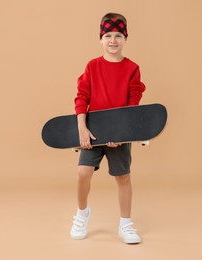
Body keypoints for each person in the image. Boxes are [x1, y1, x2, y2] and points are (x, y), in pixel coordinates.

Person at [70, 12, 146, 244]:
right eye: (108, 35)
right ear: (101, 38)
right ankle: (82, 214)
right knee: (83, 173)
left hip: (120, 131)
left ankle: (126, 224)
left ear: (125, 38)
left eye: (118, 35)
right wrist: (82, 128)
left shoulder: (132, 67)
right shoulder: (92, 66)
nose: (113, 40)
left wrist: (122, 132)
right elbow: (82, 96)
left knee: (122, 177)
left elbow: (134, 101)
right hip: (93, 131)